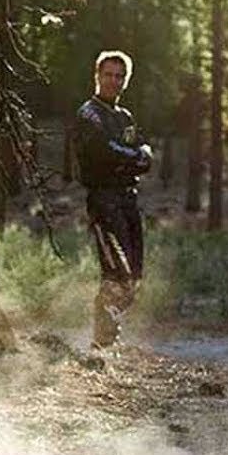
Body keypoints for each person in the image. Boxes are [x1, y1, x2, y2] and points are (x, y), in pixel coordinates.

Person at [69, 50, 152, 351]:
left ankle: (108, 337)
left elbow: (144, 153)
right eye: (108, 74)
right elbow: (103, 153)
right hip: (104, 200)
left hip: (128, 199)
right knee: (117, 273)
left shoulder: (124, 116)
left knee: (134, 277)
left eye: (120, 76)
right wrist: (133, 157)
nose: (114, 81)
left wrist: (135, 156)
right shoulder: (89, 113)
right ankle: (102, 345)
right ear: (98, 76)